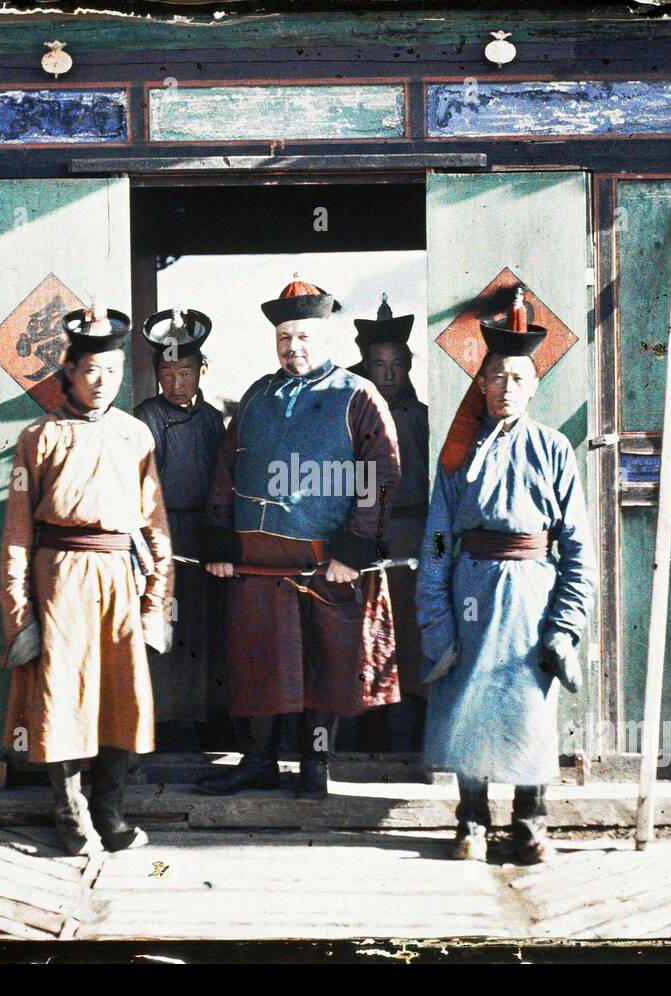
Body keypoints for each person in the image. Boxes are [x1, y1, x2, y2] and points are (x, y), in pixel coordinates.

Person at [196, 276, 402, 799]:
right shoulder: (257, 396)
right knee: (257, 660)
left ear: (326, 337)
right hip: (256, 564)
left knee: (324, 665)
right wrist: (220, 539)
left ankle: (314, 766)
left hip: (323, 565)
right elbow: (226, 467)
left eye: (305, 337)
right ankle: (258, 761)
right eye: (285, 337)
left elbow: (379, 474)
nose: (294, 348)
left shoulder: (357, 395)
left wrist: (355, 550)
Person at [416, 290, 595, 864]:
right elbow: (440, 537)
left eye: (518, 377)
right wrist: (437, 618)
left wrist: (564, 628)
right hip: (470, 591)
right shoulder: (458, 455)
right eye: (496, 377)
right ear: (483, 383)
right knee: (469, 701)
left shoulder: (554, 449)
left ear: (534, 384)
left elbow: (577, 547)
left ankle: (530, 821)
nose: (506, 388)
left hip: (533, 595)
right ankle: (471, 820)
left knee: (526, 706)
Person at [0, 300, 173, 856]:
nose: (102, 382)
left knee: (120, 691)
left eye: (113, 371)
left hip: (120, 575)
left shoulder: (135, 435)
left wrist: (155, 601)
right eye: (91, 370)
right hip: (61, 577)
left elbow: (154, 524)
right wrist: (18, 611)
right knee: (62, 691)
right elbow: (17, 534)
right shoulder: (38, 437)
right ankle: (70, 812)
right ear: (69, 373)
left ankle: (110, 809)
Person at [133, 308, 226, 747]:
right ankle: (163, 723)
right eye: (167, 372)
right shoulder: (145, 418)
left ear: (201, 369)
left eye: (185, 371)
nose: (176, 382)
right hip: (161, 536)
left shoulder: (212, 419)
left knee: (203, 627)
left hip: (205, 536)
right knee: (163, 622)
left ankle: (204, 721)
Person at [348, 294, 430, 752]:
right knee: (365, 633)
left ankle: (409, 734)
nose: (391, 374)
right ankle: (364, 732)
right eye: (380, 365)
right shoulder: (353, 416)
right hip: (366, 537)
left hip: (415, 535)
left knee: (411, 633)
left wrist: (436, 552)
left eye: (398, 364)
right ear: (366, 367)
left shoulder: (420, 418)